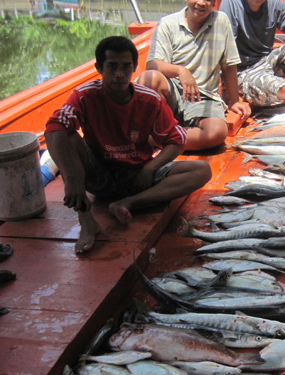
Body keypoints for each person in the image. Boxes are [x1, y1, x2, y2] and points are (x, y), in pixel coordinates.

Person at [44, 36, 211, 255]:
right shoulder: (85, 96)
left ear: (134, 68)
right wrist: (72, 178)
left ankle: (128, 203)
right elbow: (53, 127)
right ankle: (87, 221)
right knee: (66, 136)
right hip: (98, 175)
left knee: (202, 170)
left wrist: (150, 168)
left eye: (126, 67)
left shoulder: (149, 99)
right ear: (99, 68)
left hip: (138, 176)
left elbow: (177, 139)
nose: (119, 74)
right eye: (112, 67)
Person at [138, 0, 250, 151]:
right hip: (173, 91)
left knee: (216, 134)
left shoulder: (221, 21)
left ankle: (156, 139)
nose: (201, 2)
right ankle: (170, 134)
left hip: (203, 96)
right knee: (149, 79)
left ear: (214, 2)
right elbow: (152, 64)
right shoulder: (168, 23)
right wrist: (181, 72)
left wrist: (234, 100)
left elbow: (229, 65)